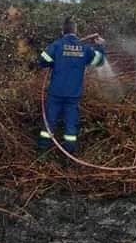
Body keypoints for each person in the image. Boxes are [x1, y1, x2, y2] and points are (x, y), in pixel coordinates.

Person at [37, 17, 106, 157]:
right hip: (73, 95)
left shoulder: (57, 45)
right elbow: (99, 62)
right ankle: (68, 157)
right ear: (76, 31)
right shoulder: (85, 49)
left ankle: (42, 155)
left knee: (48, 123)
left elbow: (42, 60)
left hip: (55, 93)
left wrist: (54, 61)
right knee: (70, 126)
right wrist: (100, 46)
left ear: (63, 31)